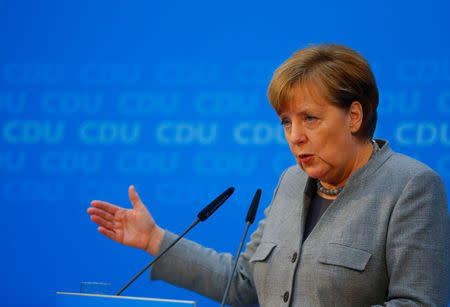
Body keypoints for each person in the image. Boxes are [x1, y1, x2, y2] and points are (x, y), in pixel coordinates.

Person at [87, 43, 450, 306]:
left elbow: (419, 304)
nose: (295, 136)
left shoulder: (411, 187)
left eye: (310, 118)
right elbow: (246, 286)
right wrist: (154, 239)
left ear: (353, 116)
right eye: (286, 122)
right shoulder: (291, 182)